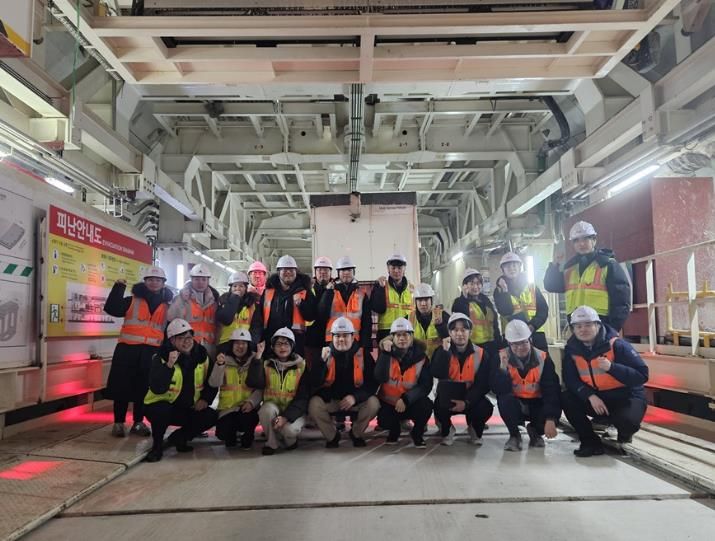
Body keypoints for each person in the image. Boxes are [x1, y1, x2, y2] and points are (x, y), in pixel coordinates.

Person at [561, 306, 649, 457]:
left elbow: (642, 375)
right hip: (596, 398)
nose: (583, 329)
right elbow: (570, 379)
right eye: (578, 326)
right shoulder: (571, 350)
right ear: (573, 329)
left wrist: (612, 368)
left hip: (624, 396)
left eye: (588, 325)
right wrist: (589, 395)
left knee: (628, 422)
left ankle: (624, 432)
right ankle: (590, 442)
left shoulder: (617, 345)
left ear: (598, 325)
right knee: (566, 398)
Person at [104, 266, 173, 438]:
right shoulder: (132, 300)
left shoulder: (168, 306)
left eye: (158, 280)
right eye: (150, 280)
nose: (154, 283)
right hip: (127, 350)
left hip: (152, 351)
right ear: (145, 282)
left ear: (163, 283)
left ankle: (138, 422)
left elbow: (167, 331)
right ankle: (118, 423)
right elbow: (112, 308)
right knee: (121, 387)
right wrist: (118, 288)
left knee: (143, 388)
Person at [143, 319, 218, 463]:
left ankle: (180, 438)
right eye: (181, 338)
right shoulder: (161, 357)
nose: (186, 342)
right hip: (162, 406)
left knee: (211, 416)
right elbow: (157, 387)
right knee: (161, 411)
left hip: (189, 408)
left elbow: (212, 383)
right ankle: (157, 446)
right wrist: (169, 366)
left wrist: (205, 399)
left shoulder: (202, 356)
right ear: (172, 340)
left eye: (189, 337)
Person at [543, 221, 631, 331]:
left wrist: (612, 330)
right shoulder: (570, 267)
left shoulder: (608, 265)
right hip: (576, 326)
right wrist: (554, 265)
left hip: (601, 326)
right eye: (576, 240)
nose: (581, 244)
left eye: (585, 239)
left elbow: (621, 302)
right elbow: (551, 286)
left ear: (594, 240)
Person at [309, 317, 380, 448]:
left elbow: (373, 384)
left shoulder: (363, 354)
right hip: (332, 400)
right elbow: (314, 382)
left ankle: (356, 433)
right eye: (337, 336)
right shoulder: (324, 354)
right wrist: (321, 363)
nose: (341, 339)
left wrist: (355, 397)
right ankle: (332, 436)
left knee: (374, 403)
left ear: (353, 337)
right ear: (332, 337)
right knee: (314, 404)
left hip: (355, 401)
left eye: (345, 335)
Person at [492, 320, 561, 451]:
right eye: (515, 344)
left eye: (524, 342)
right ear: (509, 343)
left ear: (530, 340)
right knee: (504, 399)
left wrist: (551, 418)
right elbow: (497, 389)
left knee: (550, 415)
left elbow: (551, 389)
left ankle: (535, 431)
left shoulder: (543, 358)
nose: (520, 347)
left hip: (537, 403)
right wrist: (502, 369)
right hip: (515, 404)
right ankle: (514, 435)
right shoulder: (500, 357)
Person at [430, 313, 493, 446]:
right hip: (448, 397)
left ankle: (474, 428)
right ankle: (447, 430)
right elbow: (436, 372)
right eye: (455, 330)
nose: (459, 334)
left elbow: (484, 384)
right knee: (438, 406)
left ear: (470, 332)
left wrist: (467, 402)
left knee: (485, 407)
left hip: (471, 397)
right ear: (449, 333)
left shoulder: (481, 353)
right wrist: (444, 353)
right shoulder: (441, 351)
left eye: (463, 330)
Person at [247, 327, 310, 455]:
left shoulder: (302, 366)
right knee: (265, 410)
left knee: (288, 430)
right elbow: (255, 383)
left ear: (292, 346)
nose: (282, 347)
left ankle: (291, 442)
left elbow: (303, 398)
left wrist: (286, 417)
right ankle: (272, 443)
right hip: (274, 408)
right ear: (273, 347)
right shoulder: (266, 364)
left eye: (286, 344)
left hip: (294, 411)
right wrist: (258, 358)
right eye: (278, 344)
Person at [374, 318, 433, 448]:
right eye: (398, 335)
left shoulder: (421, 357)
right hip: (389, 404)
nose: (402, 338)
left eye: (406, 334)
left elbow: (426, 386)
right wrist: (385, 354)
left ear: (412, 337)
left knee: (426, 405)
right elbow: (379, 377)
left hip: (411, 403)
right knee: (383, 418)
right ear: (392, 338)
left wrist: (406, 399)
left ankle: (417, 433)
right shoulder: (386, 355)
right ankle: (394, 431)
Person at [208, 329, 262, 449]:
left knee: (248, 421)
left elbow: (260, 387)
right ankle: (232, 435)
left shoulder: (255, 361)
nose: (240, 346)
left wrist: (251, 402)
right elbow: (214, 383)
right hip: (227, 409)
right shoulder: (223, 360)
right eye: (237, 343)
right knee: (223, 434)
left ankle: (248, 434)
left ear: (249, 345)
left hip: (247, 408)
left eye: (244, 343)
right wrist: (219, 365)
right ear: (231, 345)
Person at [257, 254, 317, 357]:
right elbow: (260, 317)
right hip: (271, 340)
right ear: (278, 272)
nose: (288, 272)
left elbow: (312, 316)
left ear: (296, 272)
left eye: (291, 270)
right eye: (284, 270)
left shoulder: (305, 291)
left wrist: (302, 304)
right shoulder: (268, 291)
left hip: (296, 342)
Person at [494, 252, 549, 352]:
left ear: (520, 267)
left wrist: (532, 325)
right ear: (503, 270)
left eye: (514, 265)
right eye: (508, 266)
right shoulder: (499, 291)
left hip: (536, 334)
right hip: (513, 337)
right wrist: (505, 291)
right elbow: (505, 310)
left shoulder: (532, 287)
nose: (512, 268)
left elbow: (543, 310)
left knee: (542, 360)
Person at [318, 255, 373, 348]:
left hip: (355, 341)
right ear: (338, 273)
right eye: (343, 270)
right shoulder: (330, 292)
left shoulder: (362, 294)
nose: (346, 273)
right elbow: (321, 315)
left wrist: (365, 344)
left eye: (349, 270)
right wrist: (327, 293)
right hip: (333, 340)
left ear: (354, 272)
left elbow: (367, 322)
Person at [167, 263, 220, 358]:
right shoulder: (182, 298)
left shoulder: (214, 300)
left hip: (210, 346)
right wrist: (181, 299)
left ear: (208, 281)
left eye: (204, 279)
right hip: (188, 346)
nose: (200, 282)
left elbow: (218, 325)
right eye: (197, 279)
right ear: (191, 280)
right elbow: (171, 318)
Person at [452, 268, 502, 360]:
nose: (475, 287)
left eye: (478, 283)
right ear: (465, 285)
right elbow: (460, 318)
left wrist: (499, 344)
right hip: (474, 347)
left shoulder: (486, 301)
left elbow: (494, 324)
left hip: (492, 345)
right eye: (471, 283)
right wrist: (464, 298)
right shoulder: (459, 302)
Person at [371, 253, 415, 342]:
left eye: (399, 268)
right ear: (388, 269)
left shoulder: (411, 288)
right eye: (393, 268)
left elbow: (415, 313)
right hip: (386, 333)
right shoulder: (381, 286)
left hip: (406, 332)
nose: (396, 271)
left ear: (404, 269)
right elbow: (377, 308)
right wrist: (380, 289)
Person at [215, 271, 262, 351]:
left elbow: (256, 328)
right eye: (235, 286)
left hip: (244, 345)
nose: (238, 289)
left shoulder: (253, 305)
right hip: (225, 344)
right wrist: (234, 299)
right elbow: (226, 320)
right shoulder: (222, 303)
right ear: (230, 288)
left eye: (241, 286)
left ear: (246, 288)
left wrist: (252, 345)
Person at [304, 256, 334, 367]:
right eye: (319, 270)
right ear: (315, 272)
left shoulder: (337, 290)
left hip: (332, 339)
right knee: (313, 369)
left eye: (326, 270)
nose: (322, 272)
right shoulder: (308, 290)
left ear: (330, 272)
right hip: (312, 340)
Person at [408, 283, 450, 359]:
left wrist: (441, 326)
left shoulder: (442, 315)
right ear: (415, 302)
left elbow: (451, 337)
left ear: (431, 301)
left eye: (426, 299)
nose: (423, 303)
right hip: (418, 361)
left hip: (438, 360)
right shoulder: (409, 318)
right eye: (420, 300)